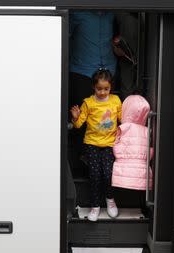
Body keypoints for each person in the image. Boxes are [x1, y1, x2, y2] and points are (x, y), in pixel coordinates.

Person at [68, 11, 118, 176]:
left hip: (108, 71)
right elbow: (64, 36)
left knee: (107, 120)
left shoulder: (111, 15)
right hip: (82, 71)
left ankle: (105, 164)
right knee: (81, 122)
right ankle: (80, 163)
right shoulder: (77, 13)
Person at [70, 69, 122, 222]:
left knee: (108, 174)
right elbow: (79, 125)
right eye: (99, 89)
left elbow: (122, 120)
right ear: (94, 87)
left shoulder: (116, 101)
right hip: (92, 144)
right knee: (94, 175)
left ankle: (110, 200)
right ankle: (95, 206)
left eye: (106, 89)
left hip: (109, 143)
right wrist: (75, 118)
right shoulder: (88, 102)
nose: (103, 92)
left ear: (110, 87)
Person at [112, 95, 153, 190]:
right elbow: (150, 150)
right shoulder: (147, 130)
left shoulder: (124, 128)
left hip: (123, 171)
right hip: (143, 171)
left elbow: (114, 143)